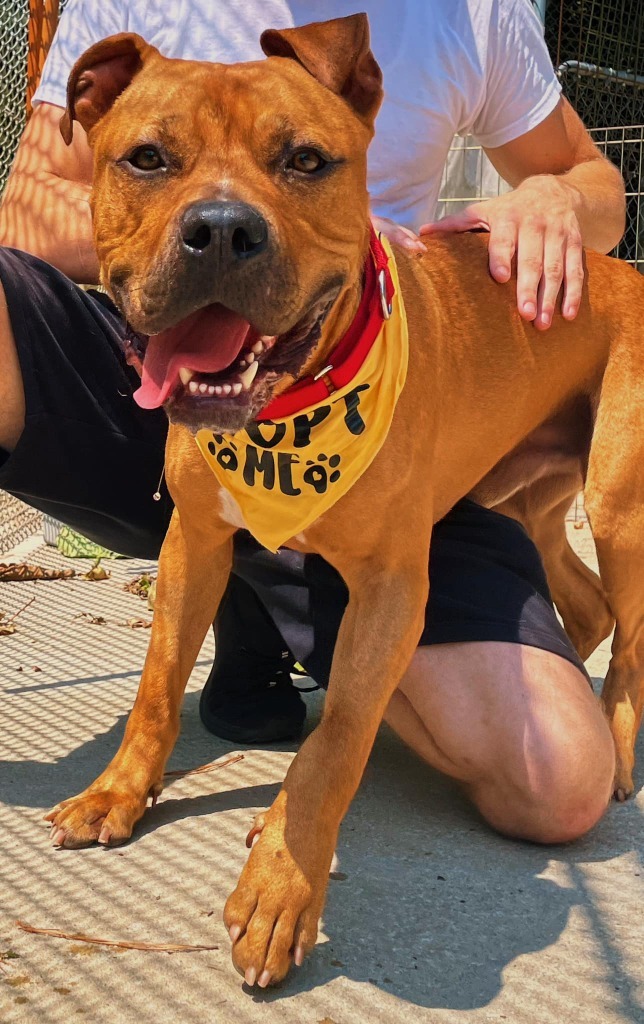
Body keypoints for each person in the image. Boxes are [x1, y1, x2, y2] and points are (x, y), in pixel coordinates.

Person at [0, 0, 624, 844]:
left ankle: (614, 664)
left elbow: (597, 183)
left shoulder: (472, 14)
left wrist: (556, 197)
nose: (227, 216)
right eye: (149, 157)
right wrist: (169, 237)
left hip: (381, 398)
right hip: (175, 368)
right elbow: (24, 206)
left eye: (301, 161)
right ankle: (256, 597)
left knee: (558, 787)